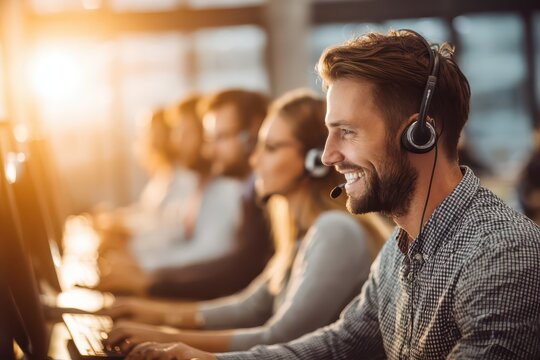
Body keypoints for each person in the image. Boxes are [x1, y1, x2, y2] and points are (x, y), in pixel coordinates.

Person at [119, 30, 540, 360]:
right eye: (329, 131)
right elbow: (339, 345)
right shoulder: (400, 249)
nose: (328, 155)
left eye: (348, 132)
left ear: (420, 134)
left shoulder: (502, 253)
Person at [103, 90, 389, 354]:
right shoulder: (302, 235)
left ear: (315, 159)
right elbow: (247, 307)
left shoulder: (335, 231)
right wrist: (152, 318)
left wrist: (169, 339)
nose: (255, 161)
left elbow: (279, 336)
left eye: (271, 147)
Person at [97, 90, 276, 300]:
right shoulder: (240, 190)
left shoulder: (239, 191)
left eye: (185, 133)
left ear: (252, 133)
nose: (176, 142)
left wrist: (146, 274)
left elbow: (225, 261)